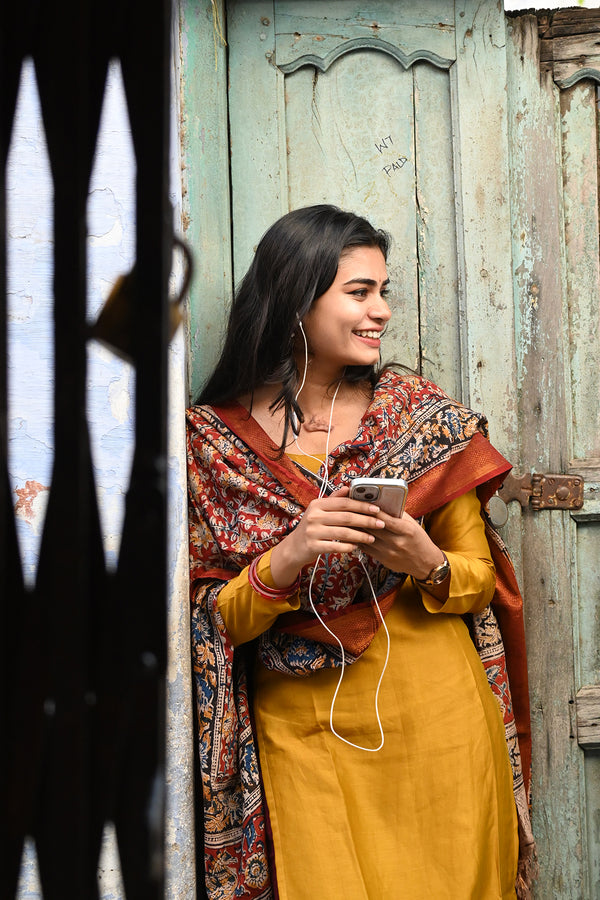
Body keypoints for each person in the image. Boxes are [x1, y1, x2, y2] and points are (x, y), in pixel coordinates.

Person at [186, 205, 536, 899]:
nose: (380, 311)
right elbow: (215, 621)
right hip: (303, 730)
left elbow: (474, 582)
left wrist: (421, 559)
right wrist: (290, 554)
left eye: (384, 292)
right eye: (358, 292)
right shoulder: (212, 444)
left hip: (438, 720)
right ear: (295, 300)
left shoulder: (418, 418)